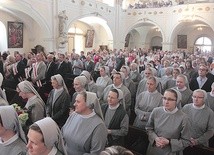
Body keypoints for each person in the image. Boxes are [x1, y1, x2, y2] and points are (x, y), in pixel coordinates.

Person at [146, 88, 191, 155]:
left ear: (177, 101)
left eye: (170, 99)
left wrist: (169, 142)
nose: (166, 101)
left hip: (171, 152)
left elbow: (186, 141)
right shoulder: (156, 111)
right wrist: (155, 138)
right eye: (164, 98)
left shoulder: (183, 118)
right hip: (154, 149)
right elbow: (149, 128)